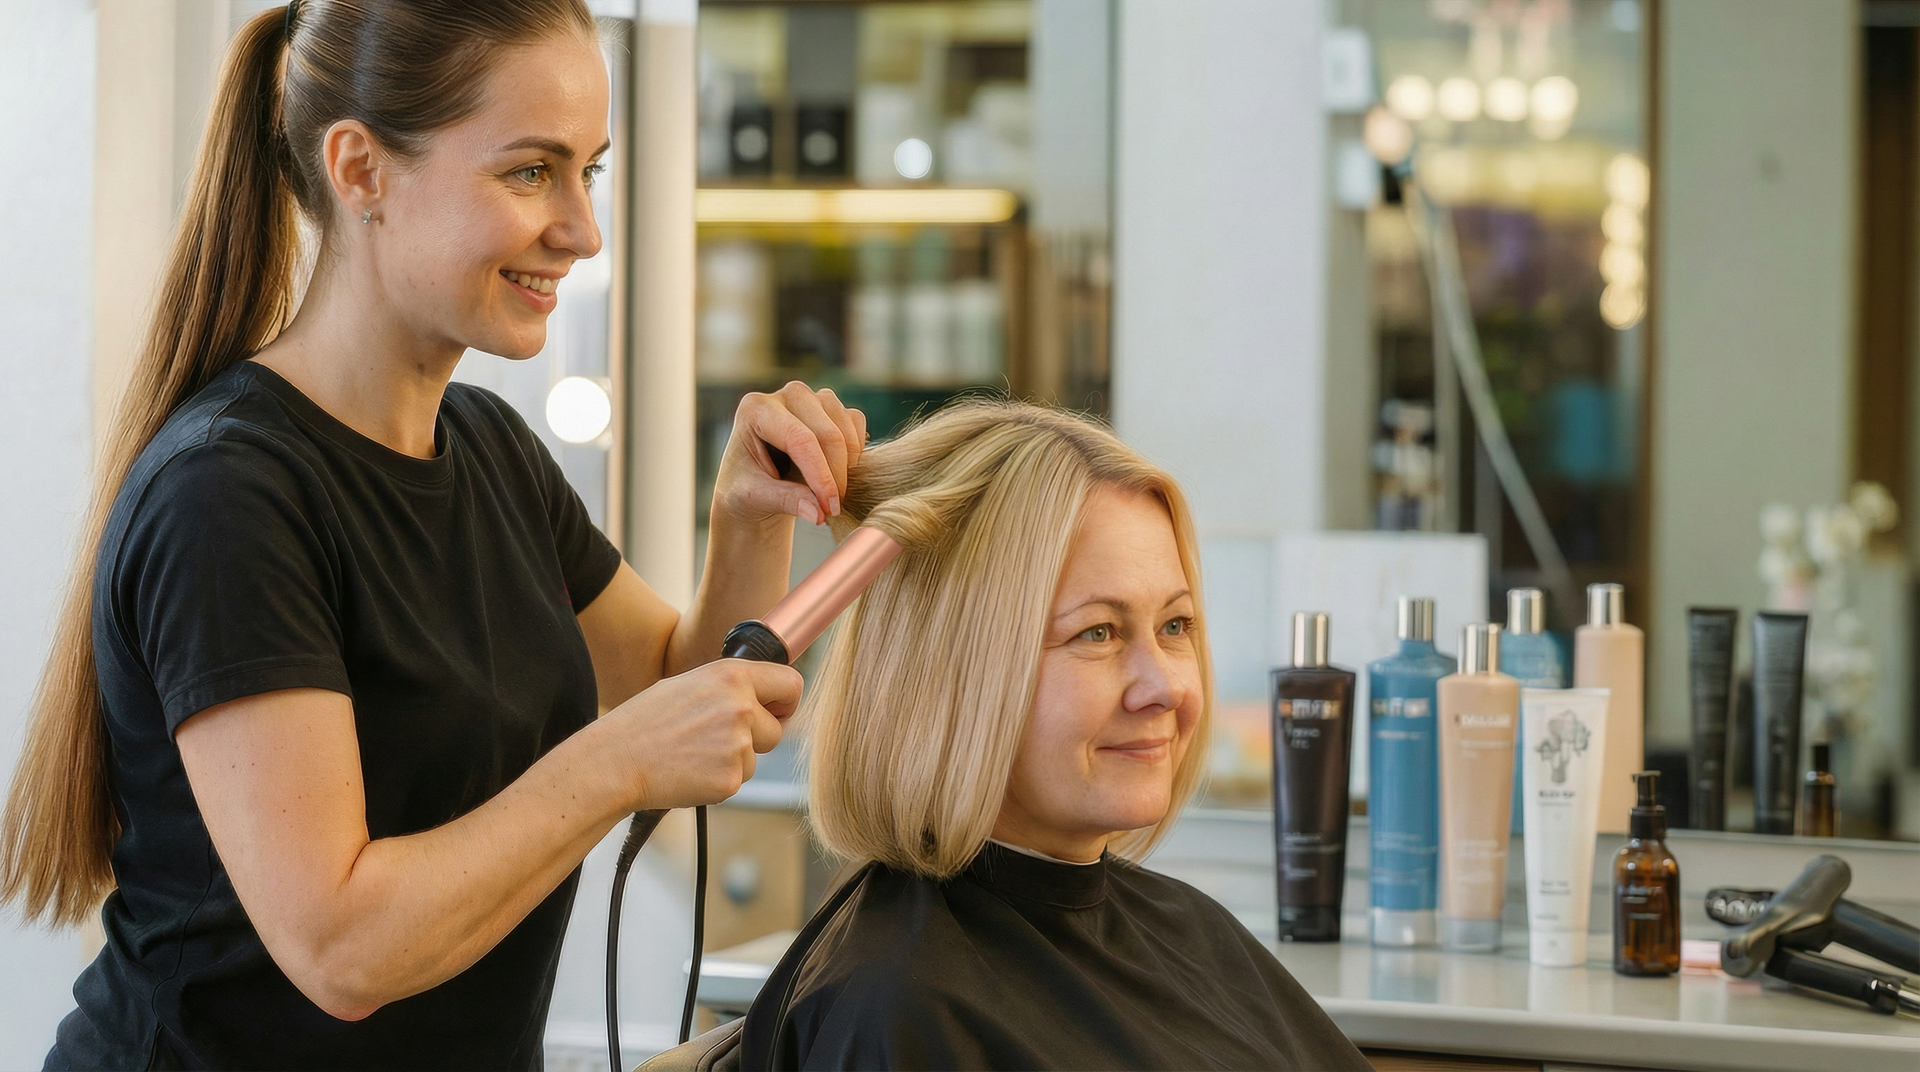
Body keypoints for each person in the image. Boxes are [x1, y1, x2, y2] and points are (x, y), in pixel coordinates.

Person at [0, 3, 865, 1068]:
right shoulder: (227, 492)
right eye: (530, 172)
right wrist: (613, 766)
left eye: (588, 171)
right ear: (361, 169)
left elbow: (679, 692)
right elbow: (343, 947)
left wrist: (744, 520)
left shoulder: (490, 448)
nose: (583, 229)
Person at [738, 402, 1369, 1071]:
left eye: (1175, 626)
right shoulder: (903, 1009)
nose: (1167, 688)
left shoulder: (1191, 930)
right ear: (951, 672)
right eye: (1098, 633)